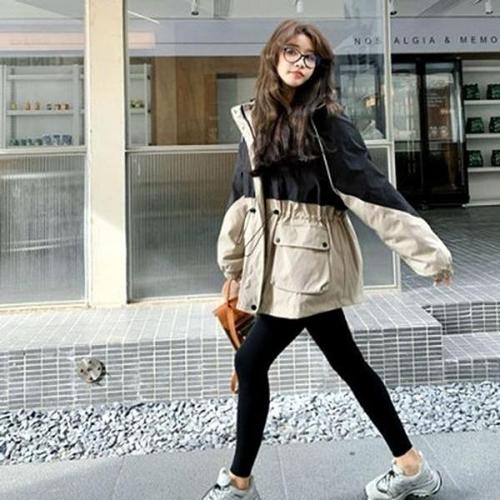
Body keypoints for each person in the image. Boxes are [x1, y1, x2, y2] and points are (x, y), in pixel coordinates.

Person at [201, 19, 453, 500]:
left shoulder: (328, 125)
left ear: (320, 66)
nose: (300, 62)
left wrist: (429, 254)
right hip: (275, 263)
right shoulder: (254, 121)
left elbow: (372, 192)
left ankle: (238, 483)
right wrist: (233, 269)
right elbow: (241, 201)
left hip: (311, 266)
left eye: (310, 56)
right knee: (348, 364)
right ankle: (411, 467)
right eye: (291, 52)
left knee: (252, 360)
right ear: (273, 56)